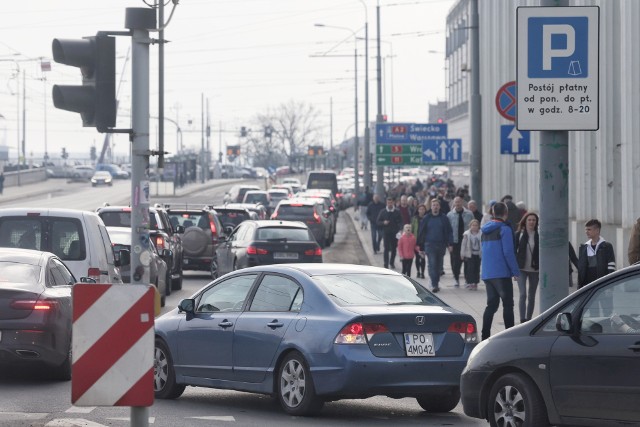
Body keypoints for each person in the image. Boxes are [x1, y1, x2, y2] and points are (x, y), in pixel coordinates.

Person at [480, 202, 520, 340]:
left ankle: (485, 335)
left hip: (487, 273)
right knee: (508, 304)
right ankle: (509, 335)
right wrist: (515, 271)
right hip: (501, 273)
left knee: (491, 305)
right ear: (505, 213)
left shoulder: (485, 230)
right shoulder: (505, 229)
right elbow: (508, 252)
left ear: (492, 212)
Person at [577, 219, 616, 317]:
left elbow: (611, 266)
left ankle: (608, 330)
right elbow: (581, 270)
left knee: (608, 311)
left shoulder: (606, 246)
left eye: (589, 229)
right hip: (589, 285)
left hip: (603, 284)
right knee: (593, 312)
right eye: (586, 230)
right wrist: (580, 287)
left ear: (597, 230)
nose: (586, 232)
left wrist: (610, 287)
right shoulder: (584, 247)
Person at [417, 199, 453, 293]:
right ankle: (434, 284)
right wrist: (421, 247)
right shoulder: (426, 218)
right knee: (432, 265)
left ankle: (435, 281)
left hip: (441, 245)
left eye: (437, 205)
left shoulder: (444, 218)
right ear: (431, 207)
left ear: (439, 207)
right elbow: (421, 232)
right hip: (429, 245)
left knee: (439, 266)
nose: (435, 207)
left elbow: (449, 231)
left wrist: (450, 244)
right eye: (433, 205)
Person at [514, 212, 540, 323]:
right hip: (521, 268)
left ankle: (529, 319)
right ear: (525, 221)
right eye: (529, 220)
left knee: (532, 295)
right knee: (523, 294)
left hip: (535, 269)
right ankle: (522, 319)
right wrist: (513, 270)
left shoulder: (539, 235)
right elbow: (514, 252)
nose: (531, 222)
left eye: (534, 220)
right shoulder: (519, 234)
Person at [446, 196, 474, 287]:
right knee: (456, 262)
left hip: (466, 241)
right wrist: (449, 244)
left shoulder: (469, 214)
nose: (457, 204)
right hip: (455, 242)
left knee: (467, 261)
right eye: (456, 202)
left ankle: (467, 279)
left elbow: (473, 227)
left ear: (462, 202)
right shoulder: (450, 215)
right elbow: (448, 230)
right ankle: (456, 278)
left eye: (459, 202)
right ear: (454, 203)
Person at [376, 197, 403, 269]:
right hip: (386, 232)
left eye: (391, 203)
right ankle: (386, 263)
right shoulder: (383, 211)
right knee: (386, 248)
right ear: (386, 203)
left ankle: (392, 262)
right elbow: (378, 222)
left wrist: (400, 229)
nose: (390, 204)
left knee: (394, 248)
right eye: (388, 203)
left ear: (393, 203)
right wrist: (383, 222)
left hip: (395, 233)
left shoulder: (397, 211)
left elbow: (401, 221)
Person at [460, 219, 482, 290]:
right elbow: (463, 244)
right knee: (470, 268)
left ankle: (475, 282)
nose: (474, 227)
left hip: (478, 253)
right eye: (473, 225)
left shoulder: (481, 234)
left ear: (478, 226)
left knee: (477, 268)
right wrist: (462, 254)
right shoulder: (467, 234)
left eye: (476, 225)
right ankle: (470, 282)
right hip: (470, 254)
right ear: (470, 226)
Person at [411, 203, 428, 278]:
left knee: (423, 257)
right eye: (420, 209)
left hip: (424, 241)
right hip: (416, 240)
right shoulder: (414, 218)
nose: (422, 211)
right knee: (417, 257)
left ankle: (423, 272)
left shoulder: (427, 218)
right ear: (418, 210)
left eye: (423, 209)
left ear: (425, 210)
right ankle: (418, 271)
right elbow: (412, 229)